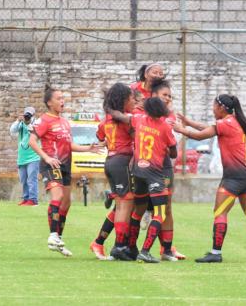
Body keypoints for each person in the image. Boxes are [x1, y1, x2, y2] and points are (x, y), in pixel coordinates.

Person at [173, 94, 246, 263]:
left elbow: (201, 135)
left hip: (235, 177)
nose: (213, 109)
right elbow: (209, 128)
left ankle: (215, 253)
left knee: (220, 212)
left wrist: (181, 130)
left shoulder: (225, 123)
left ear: (221, 108)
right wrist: (189, 122)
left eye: (214, 106)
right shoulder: (234, 121)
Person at [29, 84, 101, 257]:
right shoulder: (44, 120)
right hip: (51, 164)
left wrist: (87, 149)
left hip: (66, 165)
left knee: (66, 202)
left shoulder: (64, 122)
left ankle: (58, 239)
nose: (63, 101)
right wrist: (46, 158)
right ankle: (53, 235)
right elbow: (31, 141)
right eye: (59, 98)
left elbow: (68, 145)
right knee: (58, 196)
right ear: (49, 103)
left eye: (63, 98)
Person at [130, 97, 178, 263]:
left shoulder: (140, 120)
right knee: (161, 213)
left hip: (138, 171)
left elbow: (129, 121)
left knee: (138, 211)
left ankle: (130, 248)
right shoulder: (165, 126)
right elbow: (174, 153)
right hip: (154, 173)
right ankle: (145, 251)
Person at [91, 83, 135, 261]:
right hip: (122, 162)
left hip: (110, 161)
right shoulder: (125, 120)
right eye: (131, 98)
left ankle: (111, 243)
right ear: (123, 101)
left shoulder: (106, 120)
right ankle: (119, 246)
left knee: (121, 204)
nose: (133, 100)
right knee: (125, 204)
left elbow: (100, 135)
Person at [149, 79, 186, 261]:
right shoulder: (141, 114)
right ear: (154, 95)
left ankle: (167, 249)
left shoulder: (170, 116)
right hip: (144, 165)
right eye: (164, 95)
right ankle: (125, 247)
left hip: (163, 165)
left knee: (167, 207)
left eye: (170, 96)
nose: (168, 99)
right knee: (135, 206)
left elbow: (171, 145)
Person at [10, 106, 40, 206]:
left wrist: (29, 123)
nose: (27, 117)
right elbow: (12, 131)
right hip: (22, 157)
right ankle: (26, 198)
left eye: (29, 115)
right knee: (23, 179)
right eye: (26, 115)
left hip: (33, 156)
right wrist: (18, 121)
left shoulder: (36, 123)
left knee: (32, 179)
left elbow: (35, 132)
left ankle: (33, 200)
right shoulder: (21, 124)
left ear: (33, 116)